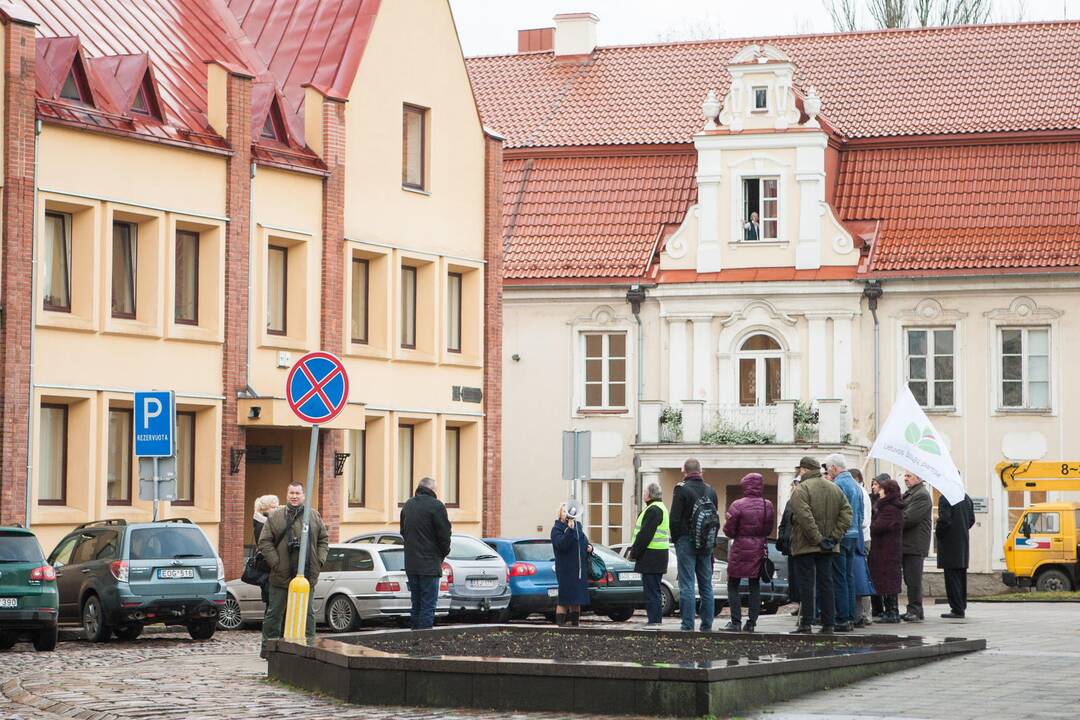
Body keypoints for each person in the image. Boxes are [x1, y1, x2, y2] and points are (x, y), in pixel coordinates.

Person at [257, 481, 329, 648]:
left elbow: (323, 540)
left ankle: (309, 647)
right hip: (281, 576)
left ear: (303, 495)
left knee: (308, 614)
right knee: (275, 614)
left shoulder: (313, 516)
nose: (294, 496)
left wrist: (319, 561)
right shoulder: (276, 517)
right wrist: (276, 563)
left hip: (307, 575)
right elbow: (264, 542)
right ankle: (268, 648)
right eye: (291, 493)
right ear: (287, 494)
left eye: (297, 493)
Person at [788, 455, 852, 634]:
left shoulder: (801, 489)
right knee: (827, 583)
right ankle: (829, 624)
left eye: (800, 470)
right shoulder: (834, 488)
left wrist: (818, 539)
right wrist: (833, 538)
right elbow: (847, 514)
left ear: (805, 470)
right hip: (829, 546)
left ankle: (806, 623)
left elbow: (804, 517)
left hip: (806, 545)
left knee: (807, 584)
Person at [721, 473, 775, 633]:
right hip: (759, 547)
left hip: (740, 548)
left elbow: (729, 531)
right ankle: (751, 622)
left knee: (733, 584)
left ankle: (735, 621)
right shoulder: (768, 505)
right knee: (754, 585)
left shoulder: (737, 505)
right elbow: (768, 528)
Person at [670, 458, 719, 632]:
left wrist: (676, 539)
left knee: (687, 584)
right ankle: (707, 625)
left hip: (686, 541)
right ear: (701, 471)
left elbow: (674, 519)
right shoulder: (711, 490)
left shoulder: (681, 490)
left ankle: (687, 625)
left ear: (684, 471)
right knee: (706, 585)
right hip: (706, 543)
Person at [400, 476, 452, 630]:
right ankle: (424, 640)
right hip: (429, 565)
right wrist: (442, 555)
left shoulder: (407, 506)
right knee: (428, 605)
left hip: (411, 564)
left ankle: (414, 637)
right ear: (432, 489)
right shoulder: (436, 506)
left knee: (416, 603)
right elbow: (444, 535)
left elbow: (403, 532)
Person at [823, 454, 863, 632]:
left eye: (827, 468)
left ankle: (842, 618)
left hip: (842, 535)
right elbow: (860, 515)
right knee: (848, 576)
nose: (827, 471)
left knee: (839, 578)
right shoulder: (855, 485)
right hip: (854, 534)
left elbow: (833, 513)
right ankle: (851, 617)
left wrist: (832, 535)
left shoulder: (838, 485)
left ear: (833, 467)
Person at [628, 482, 670, 627]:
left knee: (652, 591)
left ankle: (654, 621)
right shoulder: (660, 508)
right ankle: (655, 620)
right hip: (658, 556)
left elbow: (645, 535)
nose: (643, 494)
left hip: (651, 556)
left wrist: (634, 552)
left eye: (645, 492)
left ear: (649, 495)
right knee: (654, 590)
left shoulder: (653, 510)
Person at [869, 478, 905, 623]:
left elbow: (878, 527)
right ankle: (889, 610)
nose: (879, 491)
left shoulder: (889, 508)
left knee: (888, 580)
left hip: (887, 550)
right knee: (886, 579)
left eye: (882, 489)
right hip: (886, 549)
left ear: (888, 491)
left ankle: (892, 611)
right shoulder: (887, 506)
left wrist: (871, 523)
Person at [777, 461, 809, 618]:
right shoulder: (790, 502)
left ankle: (805, 605)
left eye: (796, 484)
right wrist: (782, 538)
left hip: (801, 545)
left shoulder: (804, 500)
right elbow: (784, 522)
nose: (793, 486)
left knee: (802, 577)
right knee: (794, 579)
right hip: (790, 545)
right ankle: (799, 603)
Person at [551, 500, 591, 626]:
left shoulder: (578, 526)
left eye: (566, 510)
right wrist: (569, 530)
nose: (566, 513)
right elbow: (562, 545)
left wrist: (590, 547)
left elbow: (583, 541)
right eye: (564, 511)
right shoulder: (556, 529)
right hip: (565, 570)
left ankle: (575, 625)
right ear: (560, 514)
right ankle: (560, 625)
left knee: (576, 600)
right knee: (564, 599)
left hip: (578, 569)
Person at [936, 492, 976, 619]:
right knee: (960, 576)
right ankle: (961, 606)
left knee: (952, 577)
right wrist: (961, 528)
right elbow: (971, 520)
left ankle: (957, 608)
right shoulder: (966, 497)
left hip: (949, 542)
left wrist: (939, 534)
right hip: (962, 541)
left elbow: (944, 520)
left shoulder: (946, 497)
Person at [901, 472, 932, 622]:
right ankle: (914, 609)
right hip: (907, 543)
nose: (905, 478)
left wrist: (892, 518)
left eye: (909, 475)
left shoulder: (922, 495)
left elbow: (909, 518)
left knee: (913, 579)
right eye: (905, 475)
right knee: (909, 578)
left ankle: (915, 609)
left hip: (915, 543)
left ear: (919, 478)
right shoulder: (910, 494)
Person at [849, 469, 875, 627]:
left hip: (862, 538)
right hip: (861, 537)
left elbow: (863, 520)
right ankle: (863, 613)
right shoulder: (859, 492)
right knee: (859, 576)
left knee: (861, 577)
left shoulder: (861, 493)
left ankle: (866, 614)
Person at [868, 473, 890, 619]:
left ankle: (887, 608)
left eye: (876, 484)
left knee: (883, 577)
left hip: (884, 545)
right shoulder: (870, 499)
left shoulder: (887, 503)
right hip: (873, 543)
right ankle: (876, 607)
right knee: (873, 576)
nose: (873, 487)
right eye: (873, 484)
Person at [252, 494, 279, 605]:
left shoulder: (268, 522)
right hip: (267, 568)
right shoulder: (262, 525)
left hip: (270, 568)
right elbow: (265, 546)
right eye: (273, 507)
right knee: (272, 603)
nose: (276, 510)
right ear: (264, 509)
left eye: (277, 507)